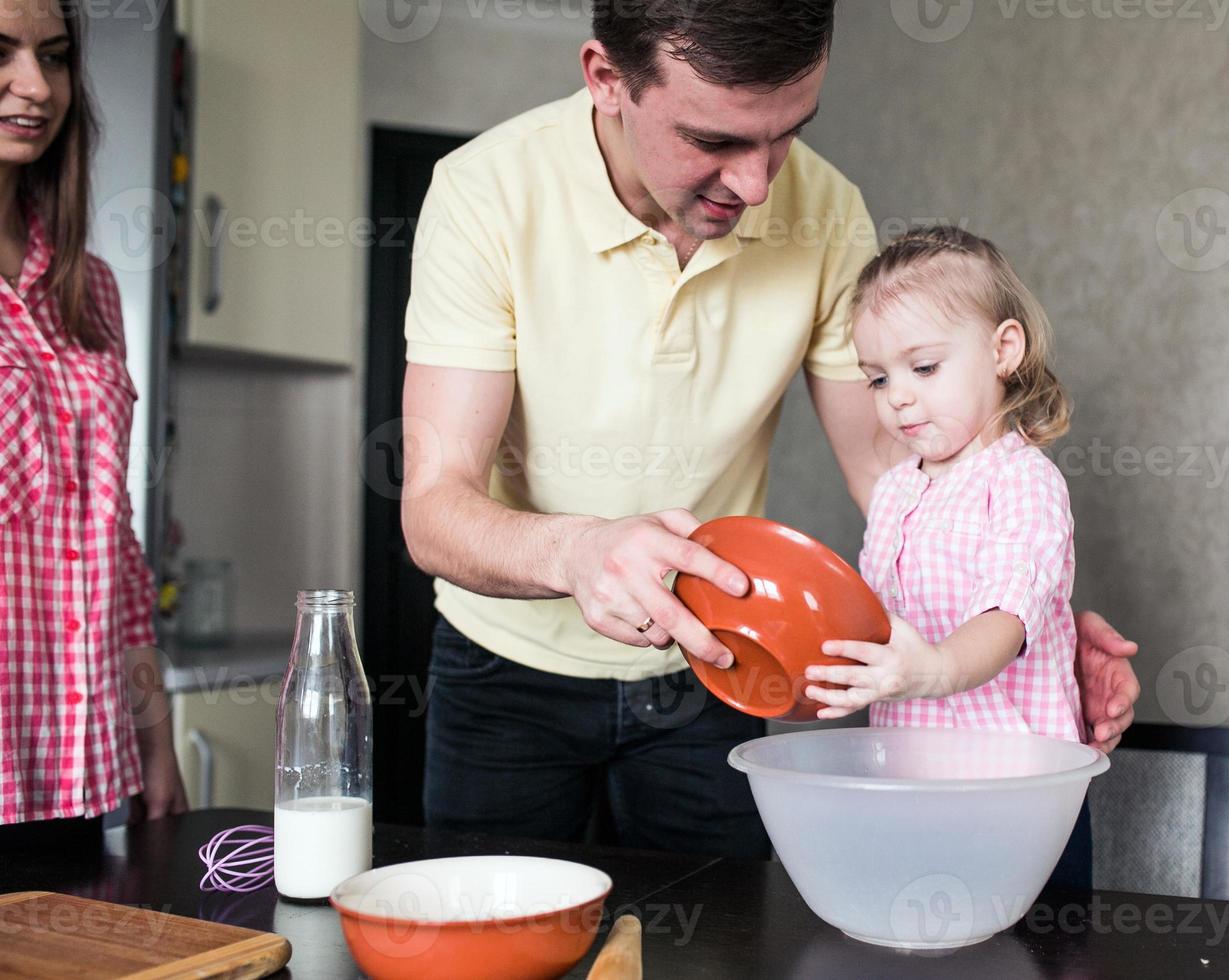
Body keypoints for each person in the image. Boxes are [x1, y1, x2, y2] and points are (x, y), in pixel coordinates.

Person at [401, 0, 1138, 860]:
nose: (756, 187)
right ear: (608, 80)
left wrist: (1021, 621)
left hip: (729, 665)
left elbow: (901, 475)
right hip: (504, 673)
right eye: (714, 142)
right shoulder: (483, 194)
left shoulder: (826, 211)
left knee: (716, 949)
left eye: (786, 134)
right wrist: (575, 553)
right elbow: (432, 509)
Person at [806, 228, 1094, 883]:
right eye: (877, 378)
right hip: (914, 783)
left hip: (1018, 796)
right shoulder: (896, 491)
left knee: (1033, 949)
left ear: (1003, 350)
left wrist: (935, 668)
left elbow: (1007, 614)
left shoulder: (1022, 482)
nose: (897, 395)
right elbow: (879, 622)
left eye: (924, 367)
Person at [0, 0, 186, 850]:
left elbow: (112, 552)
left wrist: (155, 737)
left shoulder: (92, 290)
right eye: (2, 54)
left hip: (78, 780)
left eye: (56, 56)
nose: (36, 86)